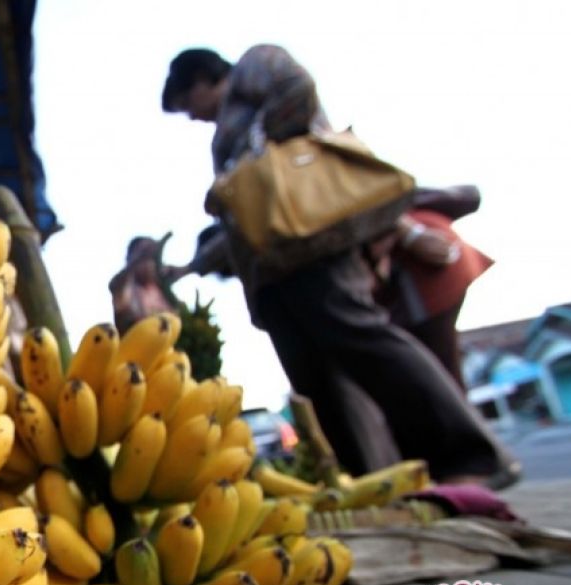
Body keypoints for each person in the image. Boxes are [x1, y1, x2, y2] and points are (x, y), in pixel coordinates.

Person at [160, 45, 520, 488]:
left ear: (200, 79)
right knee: (316, 381)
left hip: (315, 246)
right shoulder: (226, 135)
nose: (193, 118)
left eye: (186, 107)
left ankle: (471, 456)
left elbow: (298, 90)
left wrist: (251, 156)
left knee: (364, 341)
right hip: (272, 270)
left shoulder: (256, 65)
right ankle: (378, 482)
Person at [367, 186, 494, 392]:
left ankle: (457, 421)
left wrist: (411, 234)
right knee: (437, 376)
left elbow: (364, 194)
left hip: (423, 267)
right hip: (427, 256)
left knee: (436, 379)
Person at [109, 236, 180, 334]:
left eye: (152, 259)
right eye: (144, 259)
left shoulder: (161, 289)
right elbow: (115, 284)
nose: (149, 264)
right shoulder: (126, 288)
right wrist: (139, 256)